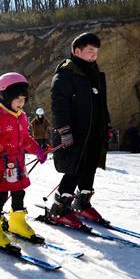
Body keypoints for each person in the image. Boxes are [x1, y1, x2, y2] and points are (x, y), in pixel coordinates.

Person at [47, 32, 111, 227]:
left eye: (96, 52)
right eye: (90, 51)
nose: (94, 55)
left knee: (90, 166)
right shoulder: (66, 74)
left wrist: (106, 126)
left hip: (94, 131)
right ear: (77, 51)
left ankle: (82, 203)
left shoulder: (95, 74)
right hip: (75, 132)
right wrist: (64, 131)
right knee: (75, 168)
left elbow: (101, 105)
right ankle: (59, 208)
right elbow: (59, 106)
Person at [0, 73, 48, 246]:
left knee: (19, 192)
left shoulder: (22, 116)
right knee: (1, 195)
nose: (21, 103)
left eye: (23, 99)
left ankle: (17, 222)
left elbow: (25, 139)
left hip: (17, 164)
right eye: (17, 99)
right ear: (4, 96)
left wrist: (38, 150)